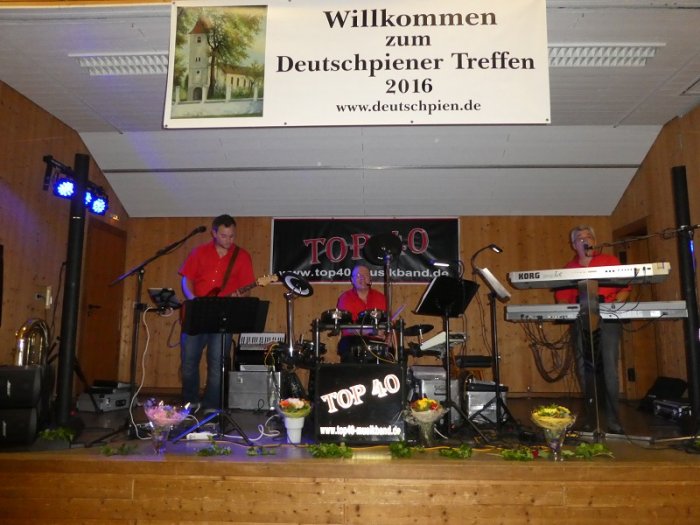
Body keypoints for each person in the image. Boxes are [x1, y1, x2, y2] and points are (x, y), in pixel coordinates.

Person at [554, 225, 630, 434]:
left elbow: (625, 289)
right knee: (583, 369)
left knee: (609, 369)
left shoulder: (610, 261)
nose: (585, 240)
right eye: (580, 238)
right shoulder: (569, 268)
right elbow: (562, 298)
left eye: (589, 237)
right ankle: (591, 418)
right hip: (581, 321)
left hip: (607, 320)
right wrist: (570, 311)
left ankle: (613, 420)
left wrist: (613, 306)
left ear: (594, 241)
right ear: (573, 244)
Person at [179, 214, 255, 412]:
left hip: (223, 316)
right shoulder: (199, 252)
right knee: (188, 362)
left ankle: (212, 407)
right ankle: (190, 403)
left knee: (217, 364)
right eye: (223, 235)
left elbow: (247, 288)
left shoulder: (242, 256)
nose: (228, 240)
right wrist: (192, 299)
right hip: (197, 313)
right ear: (214, 233)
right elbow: (186, 280)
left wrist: (240, 295)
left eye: (232, 236)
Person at [336, 263, 387, 363]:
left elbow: (388, 322)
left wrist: (388, 337)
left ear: (370, 279)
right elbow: (347, 329)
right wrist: (372, 331)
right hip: (352, 341)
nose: (362, 278)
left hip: (377, 342)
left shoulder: (380, 297)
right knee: (347, 348)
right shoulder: (345, 298)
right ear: (352, 279)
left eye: (366, 275)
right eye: (358, 275)